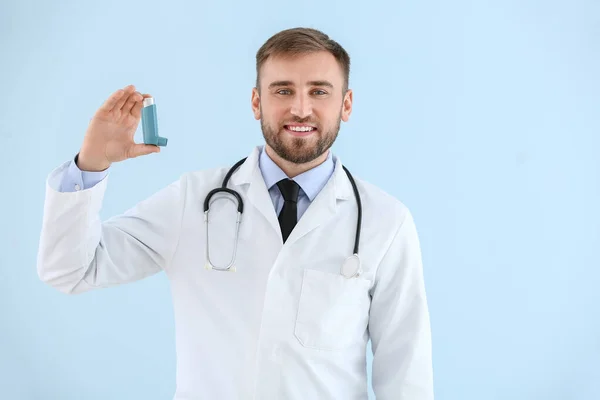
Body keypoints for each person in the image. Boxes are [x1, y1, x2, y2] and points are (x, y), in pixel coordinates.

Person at [37, 27, 434, 399]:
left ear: (345, 104)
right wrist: (90, 165)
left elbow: (406, 373)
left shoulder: (386, 221)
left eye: (319, 91)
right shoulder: (192, 201)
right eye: (282, 90)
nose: (300, 108)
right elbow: (71, 269)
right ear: (256, 102)